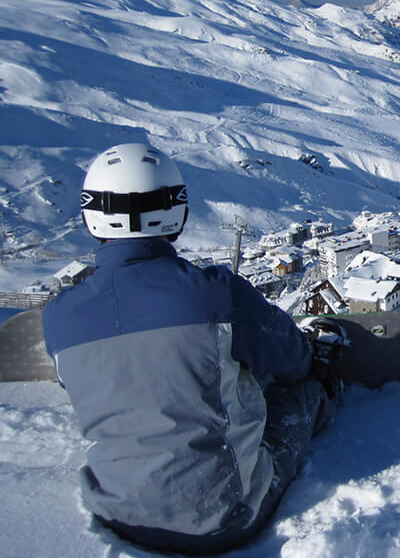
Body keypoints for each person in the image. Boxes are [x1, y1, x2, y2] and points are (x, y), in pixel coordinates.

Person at [43, 142, 341, 555]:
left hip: (117, 513)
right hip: (225, 517)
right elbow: (291, 359)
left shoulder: (58, 318)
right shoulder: (214, 294)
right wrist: (315, 365)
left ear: (92, 215)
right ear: (175, 210)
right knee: (303, 393)